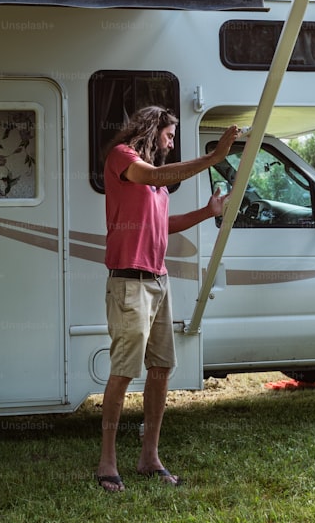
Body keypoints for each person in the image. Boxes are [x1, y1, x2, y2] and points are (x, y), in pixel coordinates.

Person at [95, 106, 239, 493]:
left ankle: (149, 457)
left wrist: (207, 212)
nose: (172, 143)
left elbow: (164, 224)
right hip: (129, 283)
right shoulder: (124, 158)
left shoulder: (156, 185)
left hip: (159, 281)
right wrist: (212, 158)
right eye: (170, 135)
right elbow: (155, 173)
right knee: (124, 372)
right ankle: (107, 461)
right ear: (152, 128)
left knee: (161, 368)